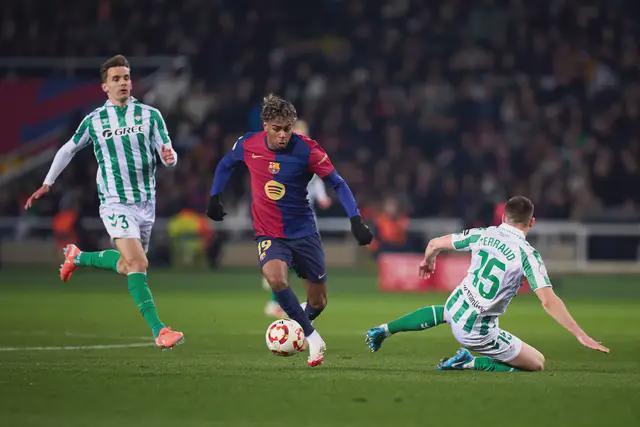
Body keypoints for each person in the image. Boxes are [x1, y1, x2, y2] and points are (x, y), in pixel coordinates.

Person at [24, 54, 184, 350]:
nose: (123, 83)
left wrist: (170, 157)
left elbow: (168, 153)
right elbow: (68, 149)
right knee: (138, 263)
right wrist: (48, 183)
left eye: (126, 77)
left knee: (127, 265)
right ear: (104, 86)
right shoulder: (95, 120)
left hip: (145, 204)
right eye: (116, 79)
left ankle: (78, 257)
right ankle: (159, 330)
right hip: (114, 202)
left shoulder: (150, 115)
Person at [207, 94, 373, 367]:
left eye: (288, 129)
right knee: (276, 279)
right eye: (277, 129)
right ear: (265, 126)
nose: (283, 135)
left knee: (318, 302)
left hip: (303, 232)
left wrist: (356, 220)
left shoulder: (308, 150)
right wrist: (215, 197)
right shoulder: (248, 144)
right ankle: (312, 337)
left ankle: (296, 326)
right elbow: (226, 164)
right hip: (269, 233)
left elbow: (338, 183)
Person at [365, 196, 609, 372]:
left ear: (503, 217)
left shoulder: (483, 233)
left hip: (457, 303)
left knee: (446, 311)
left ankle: (384, 329)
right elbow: (548, 300)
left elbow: (434, 243)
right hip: (476, 331)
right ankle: (469, 362)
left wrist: (428, 262)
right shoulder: (527, 254)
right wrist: (580, 334)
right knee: (537, 363)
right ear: (531, 222)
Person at [262, 119, 332, 318]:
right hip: (286, 219)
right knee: (288, 261)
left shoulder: (310, 155)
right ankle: (276, 300)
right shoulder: (281, 157)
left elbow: (317, 181)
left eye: (304, 133)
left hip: (307, 220)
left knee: (305, 263)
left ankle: (298, 302)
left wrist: (323, 198)